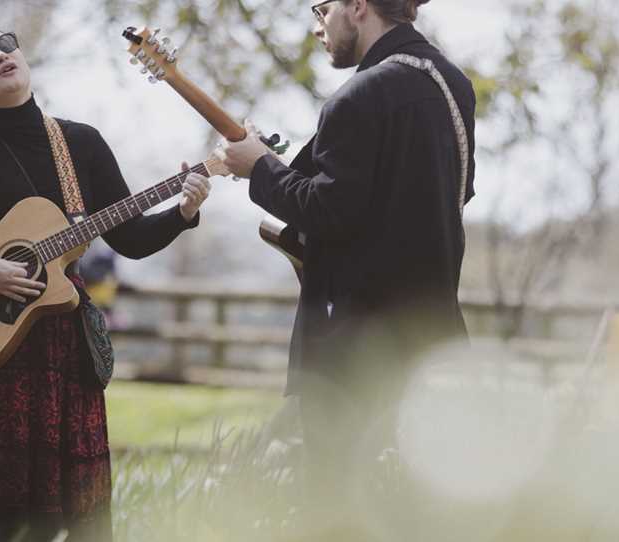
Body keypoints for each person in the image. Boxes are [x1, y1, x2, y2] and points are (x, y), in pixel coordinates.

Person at [0, 28, 211, 540]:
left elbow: (130, 240)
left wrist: (183, 212)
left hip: (57, 357)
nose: (1, 55)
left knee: (71, 513)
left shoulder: (79, 144)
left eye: (6, 43)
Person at [209, 0, 476, 538]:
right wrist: (269, 162)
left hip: (354, 347)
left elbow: (330, 210)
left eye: (322, 8)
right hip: (431, 335)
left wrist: (258, 169)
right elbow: (450, 193)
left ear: (357, 7)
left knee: (334, 510)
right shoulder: (453, 84)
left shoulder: (359, 95)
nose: (316, 26)